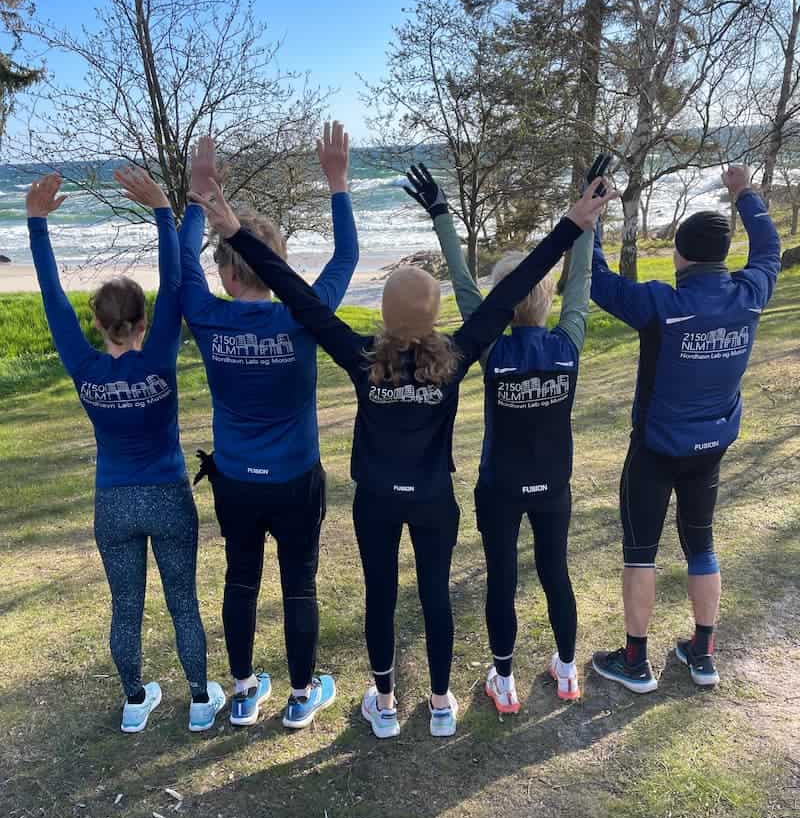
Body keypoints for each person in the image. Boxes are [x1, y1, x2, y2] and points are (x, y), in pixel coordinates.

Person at [190, 172, 617, 739]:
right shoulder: (459, 352)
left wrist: (239, 235)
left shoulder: (363, 356)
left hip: (377, 503)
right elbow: (514, 293)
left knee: (382, 597)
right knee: (435, 597)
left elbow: (295, 293)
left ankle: (385, 703)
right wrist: (572, 228)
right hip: (434, 501)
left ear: (387, 316)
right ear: (436, 315)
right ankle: (441, 705)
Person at [26, 168, 224, 733]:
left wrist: (37, 225)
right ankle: (197, 699)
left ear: (98, 323)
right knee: (183, 603)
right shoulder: (160, 352)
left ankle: (136, 700)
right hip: (165, 495)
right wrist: (166, 211)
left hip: (112, 504)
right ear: (142, 321)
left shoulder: (84, 366)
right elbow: (176, 279)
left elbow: (50, 297)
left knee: (126, 608)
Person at [404, 160, 606, 711]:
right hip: (552, 486)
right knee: (553, 572)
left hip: (500, 486)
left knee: (502, 578)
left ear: (501, 306)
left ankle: (505, 681)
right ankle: (567, 672)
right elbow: (581, 284)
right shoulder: (568, 342)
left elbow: (467, 287)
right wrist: (589, 215)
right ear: (547, 298)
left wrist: (443, 216)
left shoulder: (490, 346)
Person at [179, 123, 358, 729]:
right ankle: (303, 694)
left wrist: (196, 201)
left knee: (241, 580)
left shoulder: (206, 316)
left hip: (235, 479)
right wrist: (337, 183)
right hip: (294, 478)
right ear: (277, 266)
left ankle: (245, 690)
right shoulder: (302, 314)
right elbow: (348, 257)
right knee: (299, 583)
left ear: (228, 274)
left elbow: (182, 268)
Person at [589, 164, 780, 693]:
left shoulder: (661, 303)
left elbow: (597, 281)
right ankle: (702, 653)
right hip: (711, 447)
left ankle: (635, 661)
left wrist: (593, 218)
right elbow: (767, 247)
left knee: (640, 552)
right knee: (701, 544)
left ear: (681, 255)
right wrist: (744, 192)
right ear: (720, 256)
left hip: (655, 448)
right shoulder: (751, 294)